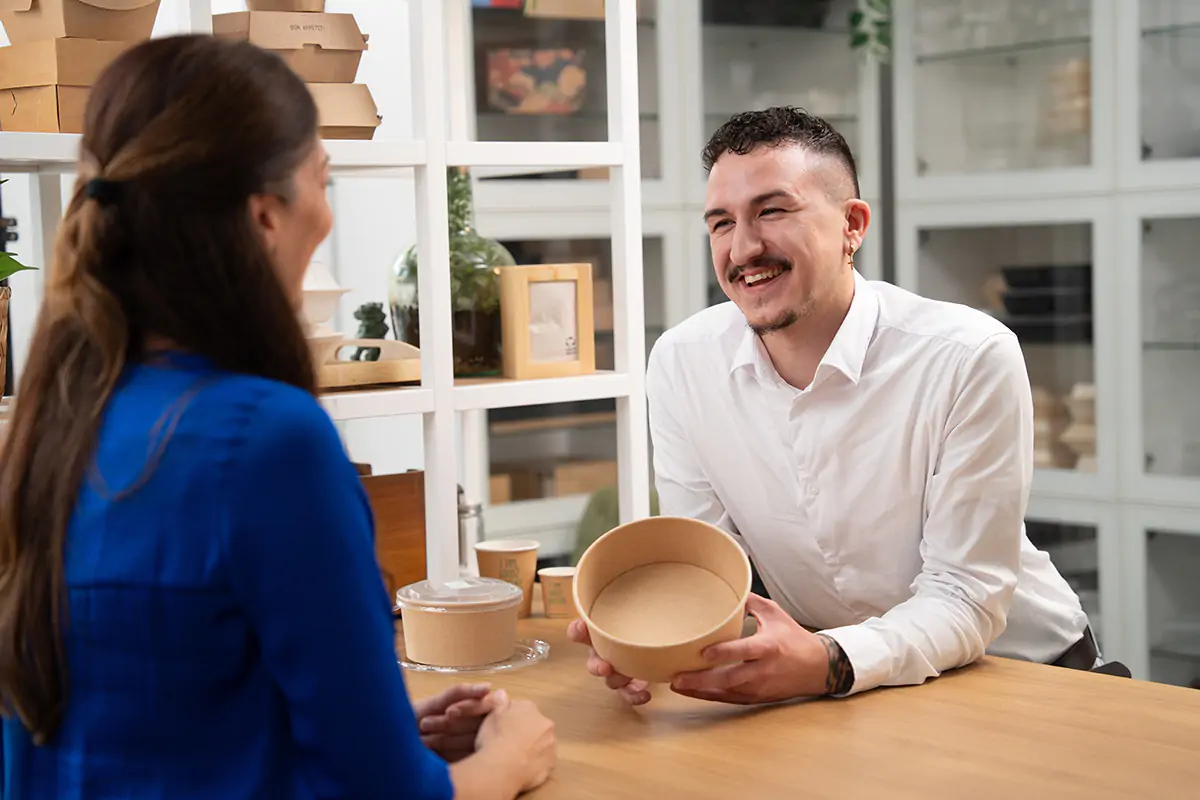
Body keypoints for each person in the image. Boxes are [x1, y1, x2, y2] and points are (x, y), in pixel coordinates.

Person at [0, 36, 554, 799]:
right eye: (321, 180)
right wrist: (506, 760)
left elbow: (151, 729)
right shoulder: (266, 439)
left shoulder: (53, 426)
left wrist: (379, 736)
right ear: (263, 216)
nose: (326, 214)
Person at [569, 106, 1096, 705]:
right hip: (846, 687)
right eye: (721, 223)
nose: (743, 248)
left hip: (1023, 677)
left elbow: (965, 594)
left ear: (853, 224)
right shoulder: (681, 363)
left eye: (772, 211)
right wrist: (655, 641)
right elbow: (710, 574)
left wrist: (829, 662)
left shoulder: (968, 355)